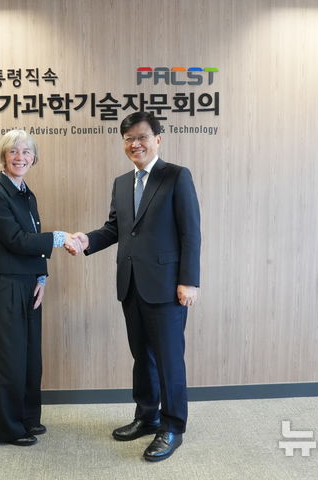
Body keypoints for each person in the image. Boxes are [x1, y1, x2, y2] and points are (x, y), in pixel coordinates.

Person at [68, 112, 201, 461]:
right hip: (130, 284)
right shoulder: (122, 182)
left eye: (141, 137)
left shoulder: (176, 176)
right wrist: (87, 240)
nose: (135, 144)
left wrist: (189, 281)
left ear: (158, 139)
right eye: (128, 138)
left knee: (169, 360)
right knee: (142, 357)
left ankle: (172, 427)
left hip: (167, 287)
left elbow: (190, 232)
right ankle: (147, 416)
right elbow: (115, 229)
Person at [0, 129, 81, 446]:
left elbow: (33, 242)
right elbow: (17, 241)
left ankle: (26, 419)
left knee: (29, 358)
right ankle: (6, 429)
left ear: (34, 158)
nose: (20, 157)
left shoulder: (26, 193)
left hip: (28, 285)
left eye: (26, 152)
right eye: (13, 151)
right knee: (7, 359)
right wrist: (60, 237)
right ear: (3, 156)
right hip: (4, 286)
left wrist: (41, 278)